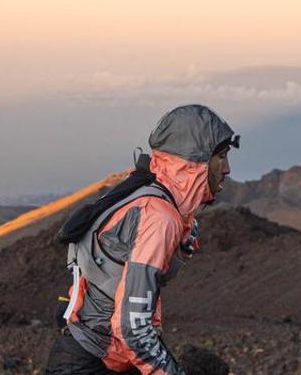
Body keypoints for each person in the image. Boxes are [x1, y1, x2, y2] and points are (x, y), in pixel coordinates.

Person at [45, 104, 238, 375]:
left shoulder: (144, 195)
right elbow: (133, 328)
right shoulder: (158, 217)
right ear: (193, 163)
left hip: (96, 354)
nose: (227, 169)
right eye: (221, 156)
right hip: (93, 362)